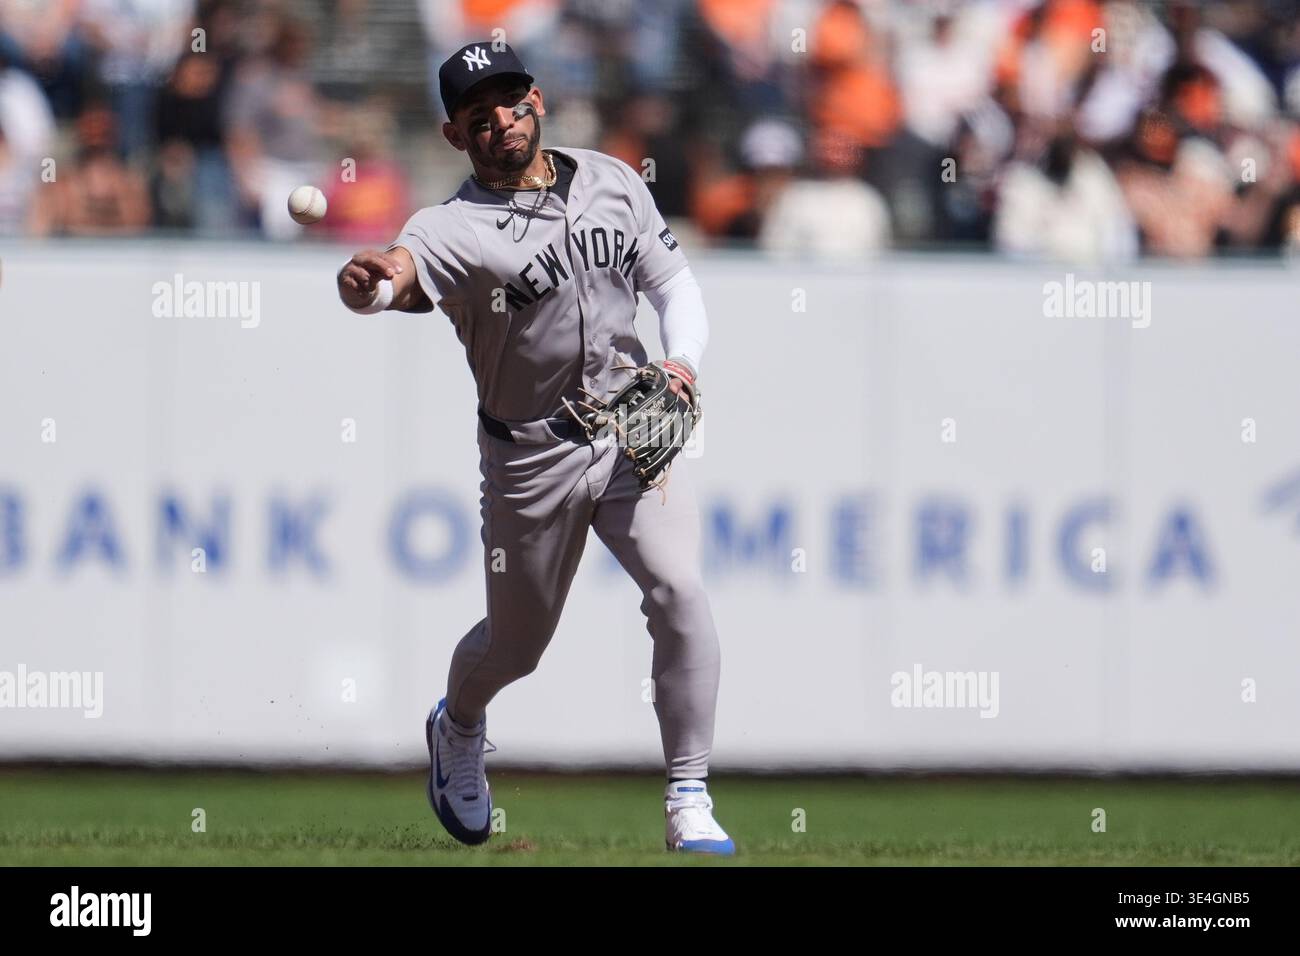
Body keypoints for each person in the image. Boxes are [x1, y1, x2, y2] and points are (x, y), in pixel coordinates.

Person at [336, 41, 734, 855]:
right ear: (455, 136)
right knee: (517, 648)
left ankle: (688, 792)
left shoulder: (611, 180)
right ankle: (459, 725)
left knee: (681, 590)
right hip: (529, 457)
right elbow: (405, 278)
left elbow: (673, 283)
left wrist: (682, 360)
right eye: (478, 115)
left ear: (538, 99)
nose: (501, 122)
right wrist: (372, 285)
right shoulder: (450, 225)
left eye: (511, 101)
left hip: (631, 423)